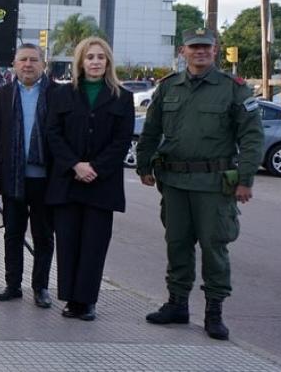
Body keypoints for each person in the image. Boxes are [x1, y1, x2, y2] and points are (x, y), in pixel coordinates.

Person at [136, 28, 262, 341]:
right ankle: (177, 304)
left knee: (214, 247)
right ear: (183, 51)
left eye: (206, 47)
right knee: (176, 244)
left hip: (213, 185)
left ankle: (214, 312)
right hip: (175, 182)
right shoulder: (168, 87)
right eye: (194, 48)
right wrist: (144, 165)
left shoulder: (233, 89)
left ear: (215, 51)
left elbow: (252, 136)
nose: (200, 52)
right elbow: (150, 130)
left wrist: (245, 179)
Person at [44, 37, 134, 321]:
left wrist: (94, 167)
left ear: (108, 62)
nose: (95, 62)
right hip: (68, 182)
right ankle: (71, 299)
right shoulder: (62, 94)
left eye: (100, 57)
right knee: (68, 242)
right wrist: (75, 165)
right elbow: (53, 134)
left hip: (101, 184)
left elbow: (121, 141)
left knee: (94, 245)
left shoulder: (122, 96)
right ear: (80, 62)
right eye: (89, 57)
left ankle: (88, 301)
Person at [0, 43, 57, 308]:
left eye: (34, 60)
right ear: (14, 64)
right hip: (12, 177)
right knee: (13, 234)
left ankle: (41, 287)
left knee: (44, 236)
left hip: (46, 179)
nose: (28, 64)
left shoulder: (57, 94)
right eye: (23, 59)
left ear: (43, 65)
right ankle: (13, 285)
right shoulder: (0, 96)